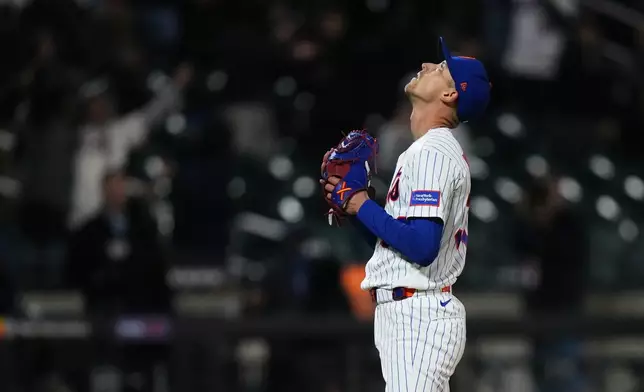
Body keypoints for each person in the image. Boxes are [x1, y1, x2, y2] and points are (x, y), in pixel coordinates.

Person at [321, 37, 491, 391]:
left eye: (441, 69)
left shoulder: (430, 152)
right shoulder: (430, 150)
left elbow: (422, 245)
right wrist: (358, 212)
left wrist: (361, 204)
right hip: (413, 312)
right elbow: (397, 244)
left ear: (449, 95)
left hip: (418, 316)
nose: (428, 66)